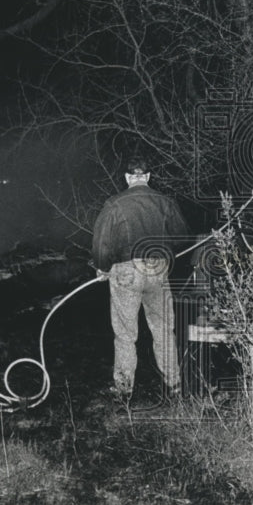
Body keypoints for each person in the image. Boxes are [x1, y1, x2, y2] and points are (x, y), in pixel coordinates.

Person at [91, 155, 189, 406]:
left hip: (125, 271)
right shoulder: (165, 202)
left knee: (125, 334)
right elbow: (181, 238)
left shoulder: (114, 204)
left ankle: (124, 391)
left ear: (127, 178)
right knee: (164, 330)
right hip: (158, 269)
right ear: (147, 177)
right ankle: (174, 385)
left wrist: (102, 268)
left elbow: (102, 242)